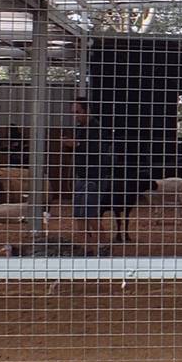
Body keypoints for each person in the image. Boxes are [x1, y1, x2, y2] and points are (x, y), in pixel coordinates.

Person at [70, 99, 113, 250]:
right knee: (79, 213)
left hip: (95, 176)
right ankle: (84, 246)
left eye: (78, 112)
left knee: (91, 212)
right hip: (82, 175)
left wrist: (77, 144)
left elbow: (95, 149)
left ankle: (103, 244)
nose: (76, 116)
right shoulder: (80, 128)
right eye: (74, 113)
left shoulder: (96, 128)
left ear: (87, 111)